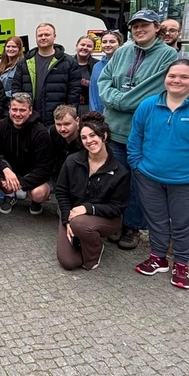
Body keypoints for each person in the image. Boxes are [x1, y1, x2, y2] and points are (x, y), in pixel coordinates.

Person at [129, 60, 189, 290]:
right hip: (149, 177)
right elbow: (136, 138)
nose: (176, 80)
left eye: (184, 77)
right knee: (157, 221)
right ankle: (158, 257)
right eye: (172, 75)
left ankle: (182, 263)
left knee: (185, 224)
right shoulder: (148, 105)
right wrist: (137, 165)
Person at [97, 10, 177, 250]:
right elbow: (104, 81)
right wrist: (114, 98)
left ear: (156, 28)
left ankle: (133, 226)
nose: (139, 29)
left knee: (139, 182)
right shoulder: (121, 52)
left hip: (142, 132)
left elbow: (149, 91)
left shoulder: (168, 55)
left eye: (144, 25)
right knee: (116, 180)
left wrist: (118, 101)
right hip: (115, 128)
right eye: (135, 26)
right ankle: (117, 221)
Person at [55, 112, 131, 271]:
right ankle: (80, 236)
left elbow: (117, 207)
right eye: (84, 137)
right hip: (72, 215)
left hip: (104, 218)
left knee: (81, 225)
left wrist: (88, 209)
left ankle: (95, 249)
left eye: (93, 135)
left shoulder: (119, 171)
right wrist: (66, 221)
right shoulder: (72, 161)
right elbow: (61, 192)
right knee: (69, 262)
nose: (89, 141)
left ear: (104, 136)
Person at [0, 93, 54, 215]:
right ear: (9, 109)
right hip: (10, 169)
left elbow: (45, 168)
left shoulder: (40, 132)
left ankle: (34, 199)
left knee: (38, 194)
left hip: (33, 173)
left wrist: (21, 184)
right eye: (14, 109)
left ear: (30, 111)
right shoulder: (0, 126)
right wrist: (6, 170)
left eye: (22, 110)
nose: (18, 114)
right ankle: (9, 195)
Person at [12, 23, 79, 125]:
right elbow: (16, 89)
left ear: (54, 36)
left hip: (58, 122)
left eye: (47, 35)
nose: (43, 38)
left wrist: (68, 117)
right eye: (40, 35)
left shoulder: (69, 62)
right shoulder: (24, 62)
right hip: (29, 120)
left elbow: (74, 92)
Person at [88, 31, 123, 114]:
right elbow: (92, 92)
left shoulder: (125, 65)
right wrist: (94, 113)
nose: (107, 45)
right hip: (98, 114)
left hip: (117, 114)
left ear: (120, 44)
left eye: (112, 42)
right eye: (104, 42)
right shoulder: (97, 66)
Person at [49, 104, 82, 180]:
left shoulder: (85, 135)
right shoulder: (53, 132)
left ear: (77, 121)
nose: (62, 129)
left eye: (67, 124)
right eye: (58, 124)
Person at [70, 35, 97, 117]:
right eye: (82, 45)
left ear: (93, 50)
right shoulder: (67, 63)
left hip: (91, 107)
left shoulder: (97, 65)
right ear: (76, 46)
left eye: (89, 46)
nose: (85, 48)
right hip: (70, 107)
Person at [0, 35, 24, 100]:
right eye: (8, 46)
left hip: (13, 102)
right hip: (2, 102)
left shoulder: (21, 65)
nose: (10, 49)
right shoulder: (3, 64)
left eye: (14, 47)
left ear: (19, 49)